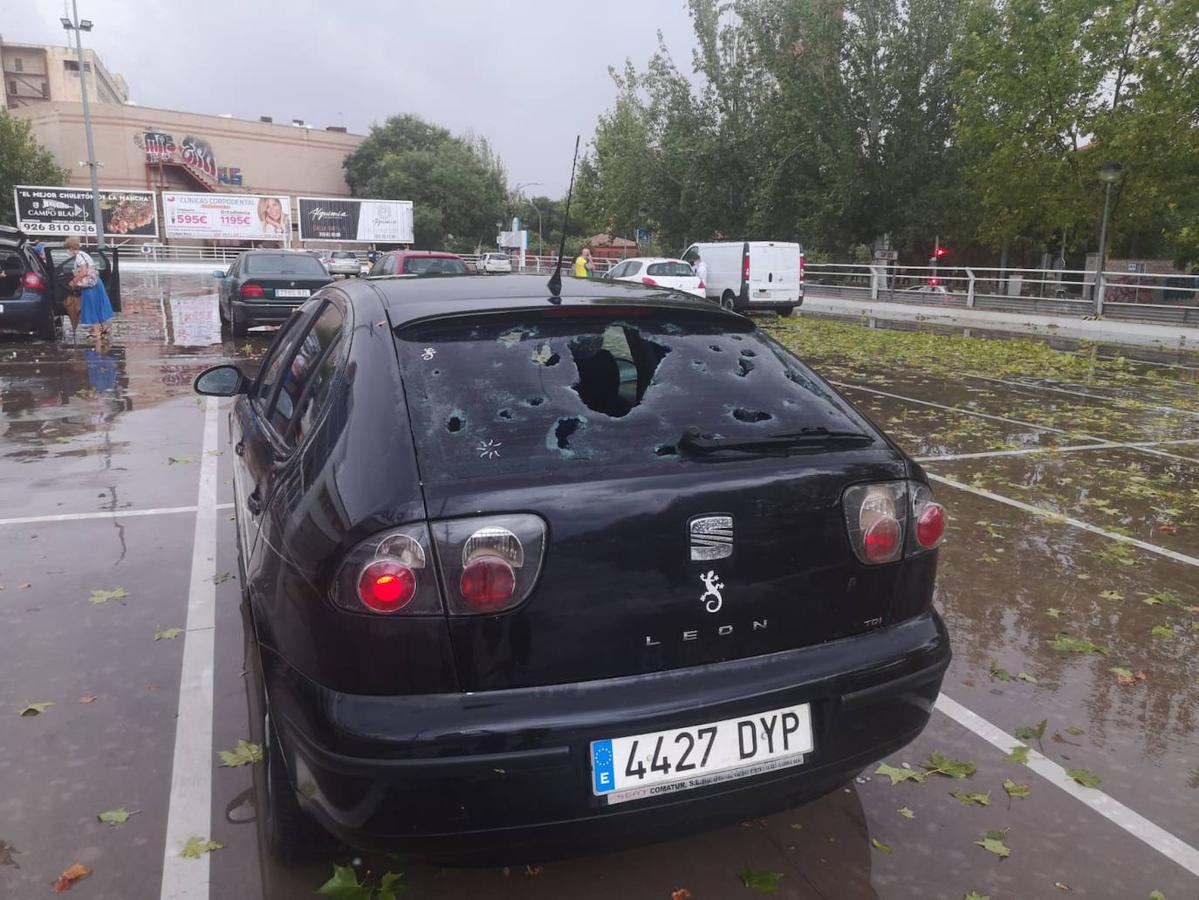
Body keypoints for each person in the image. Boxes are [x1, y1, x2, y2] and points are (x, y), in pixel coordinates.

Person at [64, 236, 114, 344]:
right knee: (97, 306)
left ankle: (96, 332)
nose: (67, 251)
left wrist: (74, 281)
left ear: (71, 248)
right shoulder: (84, 254)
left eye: (68, 249)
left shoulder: (79, 257)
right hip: (96, 282)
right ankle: (105, 327)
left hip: (89, 286)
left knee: (91, 307)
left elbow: (83, 272)